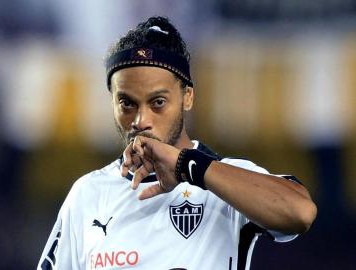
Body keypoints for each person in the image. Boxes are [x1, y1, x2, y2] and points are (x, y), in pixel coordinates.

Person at [38, 16, 317, 270]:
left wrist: (187, 165)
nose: (140, 120)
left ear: (187, 98)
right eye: (127, 103)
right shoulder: (89, 193)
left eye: (157, 102)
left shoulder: (224, 180)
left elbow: (300, 213)